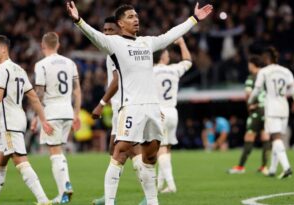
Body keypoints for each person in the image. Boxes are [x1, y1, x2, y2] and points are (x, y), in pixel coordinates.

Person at [66, 2, 213, 205]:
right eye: (130, 17)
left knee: (150, 158)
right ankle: (109, 202)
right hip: (131, 107)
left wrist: (193, 19)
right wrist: (78, 20)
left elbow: (169, 35)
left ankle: (152, 202)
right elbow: (94, 36)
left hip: (153, 108)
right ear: (120, 23)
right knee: (119, 152)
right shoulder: (114, 43)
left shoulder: (146, 42)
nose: (136, 19)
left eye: (136, 16)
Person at [0, 35, 54, 205]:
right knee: (0, 161)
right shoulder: (18, 69)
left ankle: (43, 200)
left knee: (20, 161)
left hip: (9, 122)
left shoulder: (0, 69)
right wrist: (43, 119)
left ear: (4, 49)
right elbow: (34, 98)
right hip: (18, 119)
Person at [91, 16, 143, 205]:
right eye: (104, 31)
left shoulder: (116, 50)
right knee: (116, 149)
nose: (106, 34)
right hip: (121, 106)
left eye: (110, 30)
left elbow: (116, 80)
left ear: (119, 31)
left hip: (124, 106)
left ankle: (147, 196)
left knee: (128, 149)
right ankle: (109, 195)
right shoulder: (118, 50)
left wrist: (101, 103)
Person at [32, 32, 81, 204]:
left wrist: (38, 117)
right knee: (58, 151)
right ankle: (63, 193)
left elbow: (38, 93)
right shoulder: (70, 63)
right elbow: (77, 90)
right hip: (67, 111)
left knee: (54, 152)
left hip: (51, 111)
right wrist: (77, 113)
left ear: (42, 45)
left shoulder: (41, 65)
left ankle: (64, 189)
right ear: (58, 45)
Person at [248, 46, 294, 179]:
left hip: (272, 108)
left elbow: (256, 90)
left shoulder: (264, 71)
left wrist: (250, 101)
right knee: (276, 139)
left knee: (276, 138)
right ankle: (273, 169)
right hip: (284, 108)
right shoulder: (286, 71)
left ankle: (286, 168)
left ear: (267, 58)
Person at [153, 37, 192, 193]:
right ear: (162, 56)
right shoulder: (174, 69)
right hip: (172, 112)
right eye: (167, 53)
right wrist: (182, 43)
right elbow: (188, 61)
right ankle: (161, 185)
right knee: (166, 148)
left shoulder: (150, 71)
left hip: (159, 112)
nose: (168, 56)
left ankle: (171, 184)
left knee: (160, 148)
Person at [228, 56, 270, 174]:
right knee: (265, 136)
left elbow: (248, 94)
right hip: (267, 109)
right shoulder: (267, 77)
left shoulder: (252, 78)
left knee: (249, 136)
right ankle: (264, 167)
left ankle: (240, 167)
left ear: (252, 65)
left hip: (256, 110)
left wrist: (250, 106)